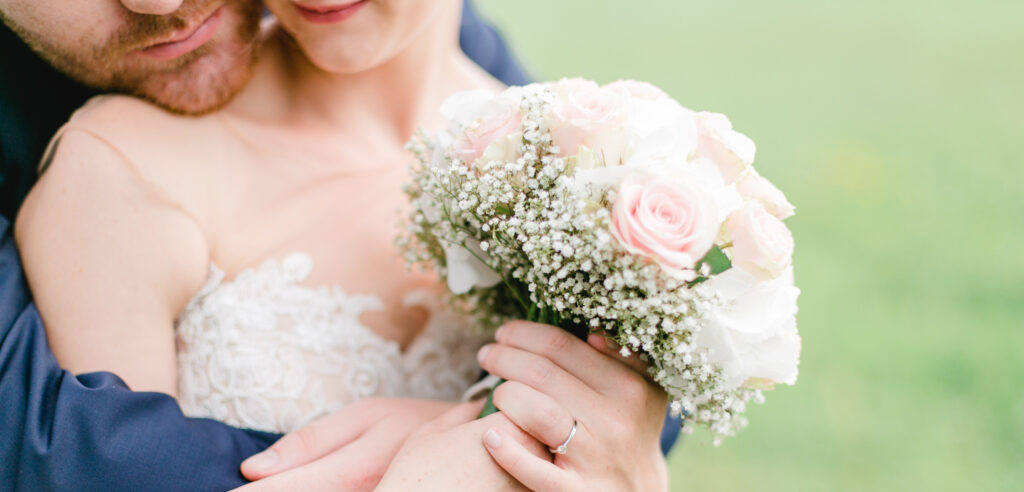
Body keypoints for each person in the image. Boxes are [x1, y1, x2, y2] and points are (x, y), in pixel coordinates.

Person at [1, 0, 679, 490]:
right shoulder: (123, 168)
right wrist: (432, 458)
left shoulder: (567, 156)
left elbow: (620, 444)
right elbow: (92, 469)